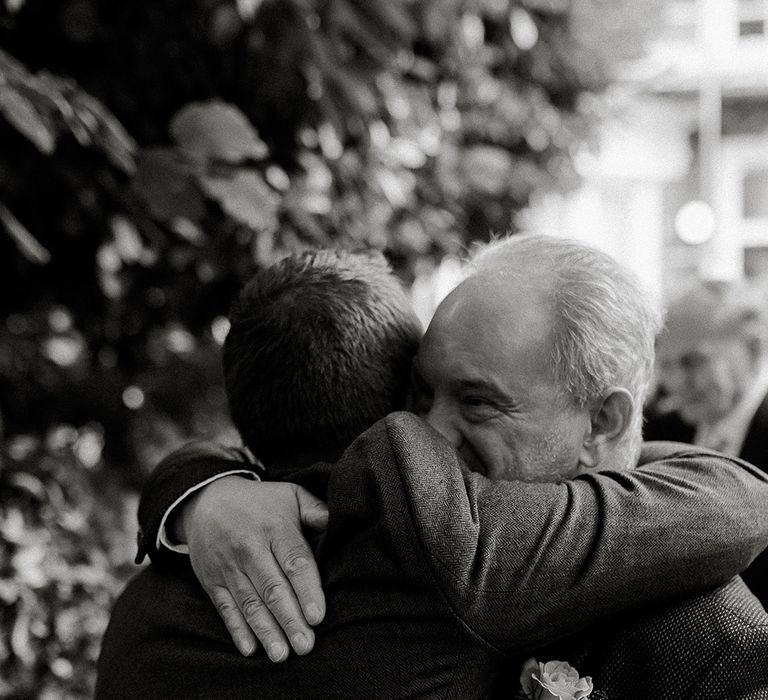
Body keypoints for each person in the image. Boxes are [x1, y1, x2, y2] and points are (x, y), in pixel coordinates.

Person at [97, 242, 768, 699]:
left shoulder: (138, 614)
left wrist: (193, 491)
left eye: (476, 401)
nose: (429, 434)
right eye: (422, 397)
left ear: (603, 423)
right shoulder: (438, 541)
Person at [647, 279, 768, 606]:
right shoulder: (656, 433)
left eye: (693, 362)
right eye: (667, 365)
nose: (675, 383)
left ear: (753, 349)